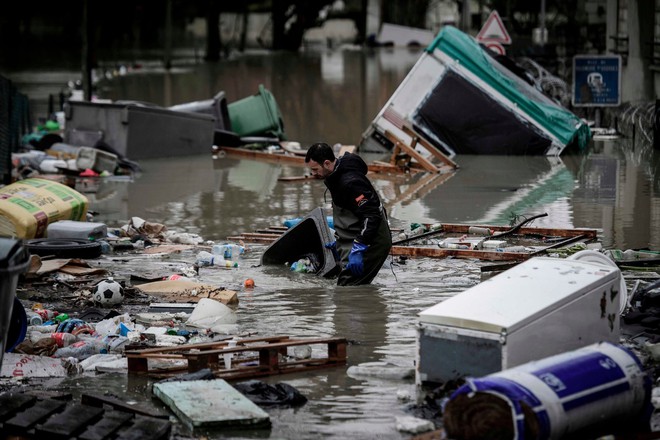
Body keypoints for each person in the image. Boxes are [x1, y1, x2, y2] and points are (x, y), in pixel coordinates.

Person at [305, 142, 392, 286]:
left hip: (373, 240)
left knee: (347, 288)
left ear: (326, 163)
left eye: (315, 169)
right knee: (349, 284)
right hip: (355, 237)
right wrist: (340, 242)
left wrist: (359, 248)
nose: (313, 174)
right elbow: (352, 214)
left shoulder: (351, 183)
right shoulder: (335, 175)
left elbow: (371, 215)